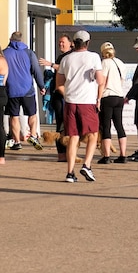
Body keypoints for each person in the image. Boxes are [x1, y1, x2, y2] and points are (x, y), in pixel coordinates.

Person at [57, 30, 104, 183]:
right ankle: (87, 164)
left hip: (71, 102)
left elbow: (59, 84)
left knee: (73, 137)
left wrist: (68, 95)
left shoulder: (66, 59)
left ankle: (70, 173)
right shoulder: (94, 57)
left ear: (73, 43)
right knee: (92, 135)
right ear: (87, 43)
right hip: (87, 102)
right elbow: (99, 80)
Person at [2, 32, 44, 151]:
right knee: (32, 114)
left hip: (11, 90)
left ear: (10, 39)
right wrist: (41, 86)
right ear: (21, 40)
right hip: (27, 89)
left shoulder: (5, 53)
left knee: (14, 116)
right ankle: (34, 135)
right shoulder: (29, 53)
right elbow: (36, 70)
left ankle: (16, 141)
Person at [97, 42, 128, 164]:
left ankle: (106, 156)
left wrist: (98, 99)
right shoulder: (120, 63)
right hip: (119, 96)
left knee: (106, 126)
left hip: (107, 96)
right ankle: (123, 155)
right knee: (119, 125)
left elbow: (102, 82)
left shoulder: (105, 63)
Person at [39, 34, 74, 134]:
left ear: (70, 43)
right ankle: (60, 141)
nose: (60, 44)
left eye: (63, 42)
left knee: (63, 119)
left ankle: (64, 140)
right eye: (59, 42)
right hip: (57, 92)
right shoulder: (61, 56)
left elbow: (66, 69)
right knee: (59, 119)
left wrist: (51, 64)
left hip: (65, 93)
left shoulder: (70, 56)